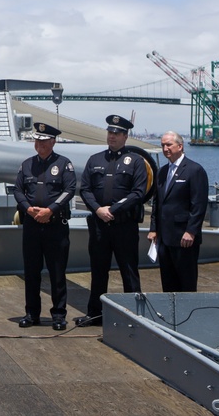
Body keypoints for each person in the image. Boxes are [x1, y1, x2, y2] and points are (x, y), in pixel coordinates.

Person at [76, 114, 148, 327]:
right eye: (110, 132)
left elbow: (138, 193)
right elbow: (85, 189)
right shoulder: (95, 160)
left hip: (124, 225)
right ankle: (95, 314)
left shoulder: (136, 161)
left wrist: (113, 210)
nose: (112, 136)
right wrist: (98, 210)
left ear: (125, 136)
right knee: (98, 271)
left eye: (117, 133)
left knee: (129, 271)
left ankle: (135, 317)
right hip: (99, 225)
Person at [12, 123, 76, 331]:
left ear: (53, 142)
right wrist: (29, 210)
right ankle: (32, 313)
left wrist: (51, 210)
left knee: (57, 272)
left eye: (43, 140)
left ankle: (58, 315)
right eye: (37, 140)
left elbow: (69, 190)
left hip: (55, 226)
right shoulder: (27, 165)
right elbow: (18, 190)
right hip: (31, 225)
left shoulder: (64, 164)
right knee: (31, 272)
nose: (39, 144)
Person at [148, 131, 209, 292]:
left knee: (186, 282)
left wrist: (191, 231)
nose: (165, 148)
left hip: (184, 238)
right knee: (168, 282)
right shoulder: (162, 172)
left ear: (180, 146)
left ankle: (187, 316)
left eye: (169, 145)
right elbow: (157, 203)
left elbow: (199, 204)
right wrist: (153, 228)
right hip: (165, 237)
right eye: (162, 145)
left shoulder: (194, 170)